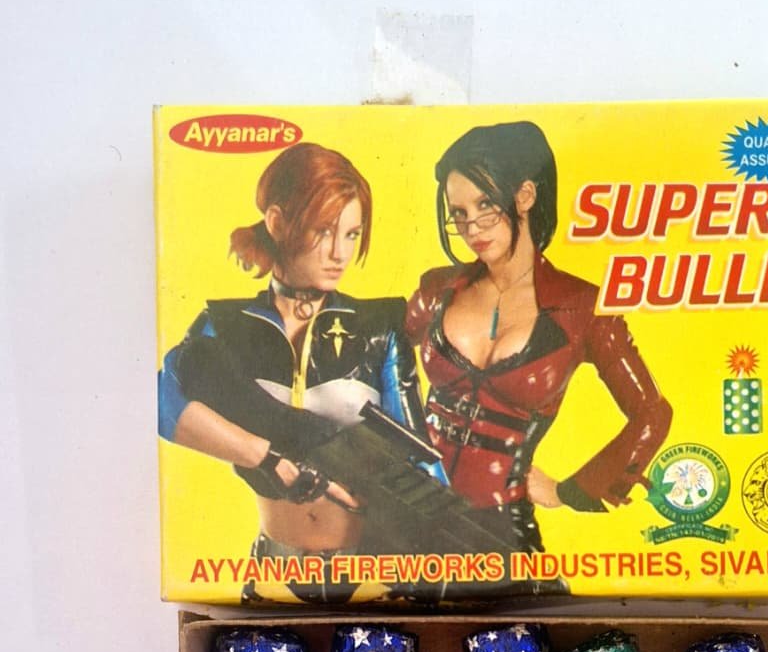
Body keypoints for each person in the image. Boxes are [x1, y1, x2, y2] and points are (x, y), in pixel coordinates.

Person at [158, 142, 436, 601]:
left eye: (352, 234)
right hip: (272, 565)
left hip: (374, 574)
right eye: (323, 231)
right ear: (277, 222)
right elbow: (164, 404)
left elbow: (419, 457)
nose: (339, 253)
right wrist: (264, 457)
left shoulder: (378, 327)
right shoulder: (224, 325)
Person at [405, 120, 673, 556]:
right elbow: (374, 349)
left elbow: (652, 413)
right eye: (459, 214)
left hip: (498, 527)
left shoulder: (582, 308)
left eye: (485, 205)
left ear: (525, 195)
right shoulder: (438, 289)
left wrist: (572, 491)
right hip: (405, 510)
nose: (472, 227)